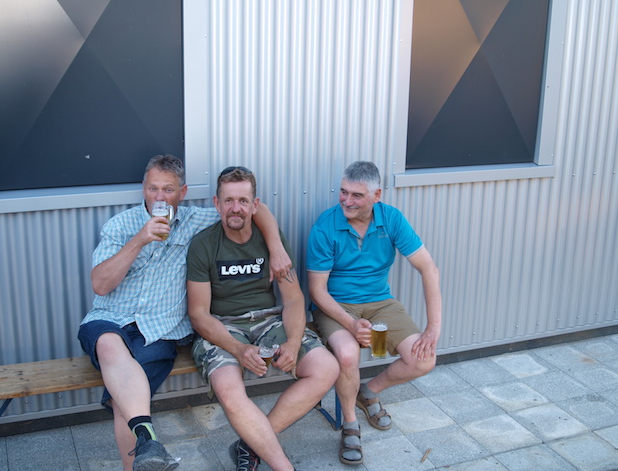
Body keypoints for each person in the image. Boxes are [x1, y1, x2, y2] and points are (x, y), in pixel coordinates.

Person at [78, 155, 292, 471]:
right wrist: (140, 239)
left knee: (122, 402)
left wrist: (276, 247)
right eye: (153, 189)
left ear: (183, 192)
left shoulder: (198, 220)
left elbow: (254, 209)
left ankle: (146, 447)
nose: (160, 198)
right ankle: (147, 444)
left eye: (168, 190)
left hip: (159, 331)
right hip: (110, 319)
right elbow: (100, 284)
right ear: (143, 189)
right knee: (109, 344)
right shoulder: (121, 225)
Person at [186, 167, 339, 471]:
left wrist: (293, 343)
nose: (236, 208)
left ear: (255, 205)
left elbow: (293, 299)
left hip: (268, 320)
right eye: (229, 200)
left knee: (326, 368)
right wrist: (238, 349)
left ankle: (250, 443)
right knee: (228, 389)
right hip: (223, 325)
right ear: (217, 203)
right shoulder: (204, 244)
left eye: (243, 200)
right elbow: (199, 314)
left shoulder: (270, 241)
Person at [306, 161, 442, 465]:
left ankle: (368, 391)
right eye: (343, 192)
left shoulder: (391, 219)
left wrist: (433, 327)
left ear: (376, 195)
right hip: (336, 305)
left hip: (380, 302)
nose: (347, 201)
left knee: (423, 359)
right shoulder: (325, 226)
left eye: (357, 195)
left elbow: (428, 268)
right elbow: (317, 291)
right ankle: (350, 423)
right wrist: (351, 323)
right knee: (347, 356)